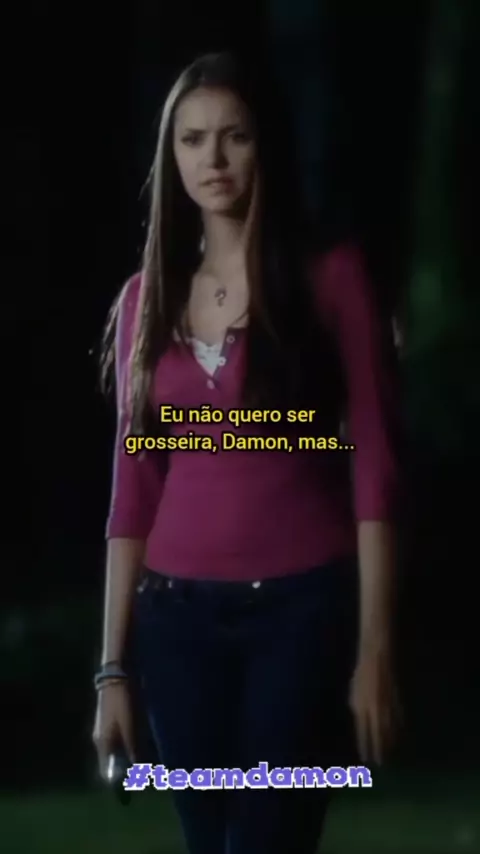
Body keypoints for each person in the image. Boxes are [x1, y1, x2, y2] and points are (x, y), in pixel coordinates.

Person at [92, 51, 401, 854]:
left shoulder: (331, 279)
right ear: (171, 157)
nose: (214, 159)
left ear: (268, 143)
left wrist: (374, 649)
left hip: (301, 614)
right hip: (175, 625)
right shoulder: (145, 300)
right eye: (192, 140)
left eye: (235, 136)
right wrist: (112, 670)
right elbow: (132, 493)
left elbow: (374, 470)